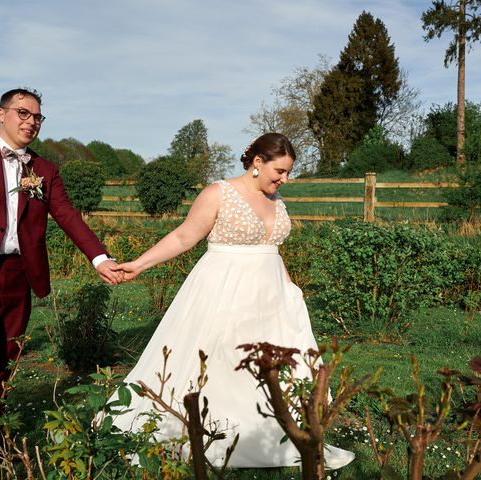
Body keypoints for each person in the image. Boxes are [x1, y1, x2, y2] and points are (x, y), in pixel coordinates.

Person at [113, 133, 354, 469]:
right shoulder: (219, 193)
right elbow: (184, 236)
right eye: (279, 171)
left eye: (287, 173)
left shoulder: (276, 199)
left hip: (271, 295)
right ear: (258, 162)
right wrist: (138, 264)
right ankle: (217, 431)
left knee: (272, 364)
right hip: (225, 288)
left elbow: (272, 250)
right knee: (223, 359)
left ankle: (273, 430)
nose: (284, 179)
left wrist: (290, 288)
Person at [0, 87, 122, 421]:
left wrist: (100, 258)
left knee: (8, 353)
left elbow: (67, 215)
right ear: (1, 114)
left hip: (20, 274)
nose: (31, 122)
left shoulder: (45, 169)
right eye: (23, 113)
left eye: (37, 117)